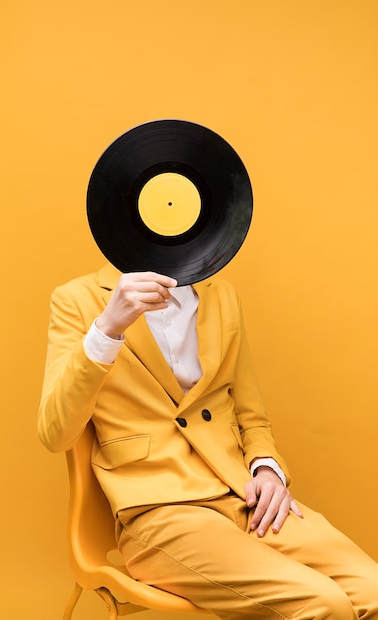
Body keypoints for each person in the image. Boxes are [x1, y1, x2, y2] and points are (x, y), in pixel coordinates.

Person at [38, 264, 378, 619]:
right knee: (324, 604)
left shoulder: (222, 296)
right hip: (159, 511)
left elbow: (251, 415)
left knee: (373, 591)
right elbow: (55, 432)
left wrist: (268, 471)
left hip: (245, 498)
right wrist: (108, 328)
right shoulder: (77, 299)